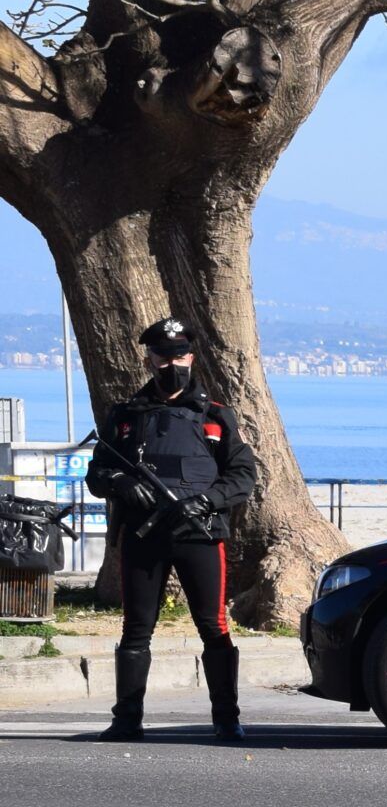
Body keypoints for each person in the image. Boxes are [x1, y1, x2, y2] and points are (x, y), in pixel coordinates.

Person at [85, 317, 262, 742]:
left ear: (191, 356)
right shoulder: (125, 418)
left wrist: (206, 500)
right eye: (162, 357)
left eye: (179, 355)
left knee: (214, 626)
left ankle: (226, 719)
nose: (171, 364)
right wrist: (120, 483)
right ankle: (127, 720)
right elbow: (96, 474)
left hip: (199, 535)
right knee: (135, 628)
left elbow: (243, 477)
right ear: (148, 360)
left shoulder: (216, 417)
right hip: (144, 538)